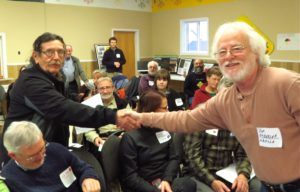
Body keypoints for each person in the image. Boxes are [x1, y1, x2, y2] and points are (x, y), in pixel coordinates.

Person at [125, 21, 300, 192]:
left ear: (257, 52)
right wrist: (141, 117)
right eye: (222, 52)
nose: (229, 56)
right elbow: (186, 119)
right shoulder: (226, 99)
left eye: (237, 48)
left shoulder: (287, 84)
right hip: (266, 185)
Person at [0, 32, 135, 167]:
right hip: (25, 156)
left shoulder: (57, 78)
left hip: (47, 150)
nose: (56, 57)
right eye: (49, 52)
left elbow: (65, 104)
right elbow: (64, 109)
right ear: (36, 56)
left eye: (61, 52)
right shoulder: (30, 81)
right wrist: (114, 115)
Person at [183, 78, 261, 192]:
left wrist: (243, 175)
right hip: (199, 173)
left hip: (226, 172)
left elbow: (244, 154)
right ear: (217, 94)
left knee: (257, 187)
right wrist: (212, 181)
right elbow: (192, 157)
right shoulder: (199, 115)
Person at [119, 90, 196, 192]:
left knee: (189, 183)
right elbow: (131, 177)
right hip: (145, 186)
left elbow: (174, 158)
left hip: (164, 182)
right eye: (164, 108)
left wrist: (166, 180)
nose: (167, 112)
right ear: (150, 110)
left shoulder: (164, 129)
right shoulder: (130, 138)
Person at [1, 121, 103, 192]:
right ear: (13, 155)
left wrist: (89, 177)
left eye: (42, 148)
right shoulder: (9, 178)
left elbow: (84, 168)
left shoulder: (55, 150)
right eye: (33, 156)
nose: (42, 156)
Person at [85, 77, 130, 157]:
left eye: (108, 87)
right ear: (97, 90)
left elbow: (130, 124)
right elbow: (88, 130)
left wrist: (124, 135)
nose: (105, 91)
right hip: (101, 138)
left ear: (113, 88)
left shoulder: (123, 103)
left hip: (121, 137)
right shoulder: (90, 105)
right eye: (101, 88)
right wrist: (95, 138)